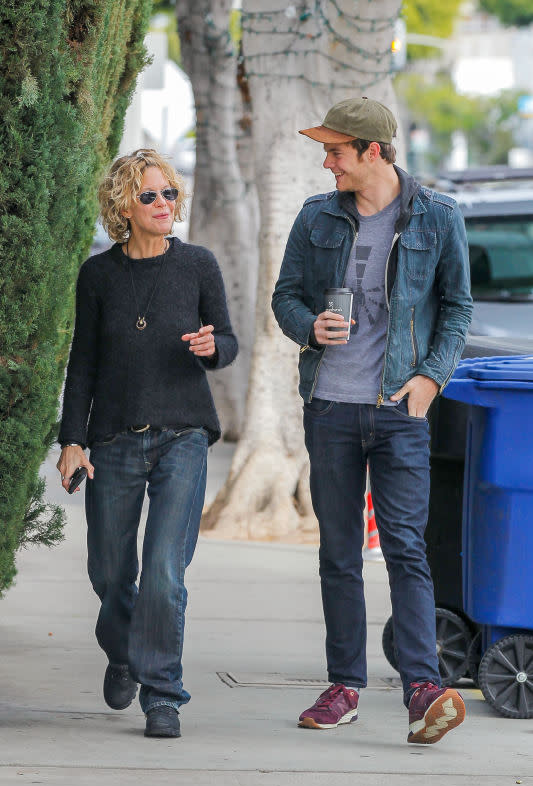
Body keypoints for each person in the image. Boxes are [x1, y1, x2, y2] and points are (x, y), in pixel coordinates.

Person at [272, 98, 473, 744]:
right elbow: (285, 297)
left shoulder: (438, 218)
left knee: (406, 549)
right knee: (338, 553)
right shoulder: (316, 217)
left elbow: (457, 308)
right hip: (329, 407)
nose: (326, 162)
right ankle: (344, 686)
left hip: (397, 411)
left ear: (373, 152)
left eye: (336, 151)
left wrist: (429, 380)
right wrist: (309, 326)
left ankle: (422, 689)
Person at [57, 149, 237, 738]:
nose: (165, 205)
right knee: (110, 572)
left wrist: (213, 348)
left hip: (183, 436)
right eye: (150, 196)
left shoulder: (199, 265)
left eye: (170, 195)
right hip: (111, 440)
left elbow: (227, 342)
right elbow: (83, 361)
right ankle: (124, 651)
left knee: (164, 571)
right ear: (123, 207)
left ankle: (163, 694)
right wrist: (72, 440)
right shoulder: (99, 276)